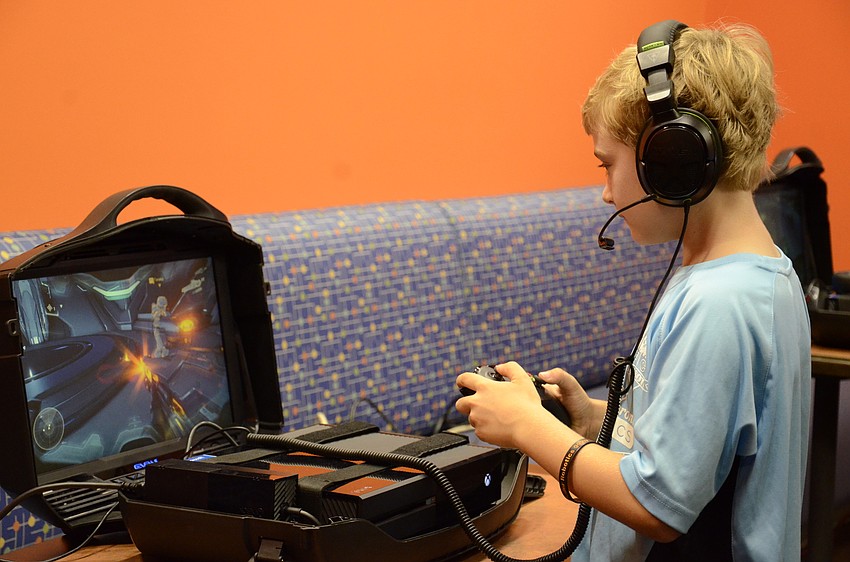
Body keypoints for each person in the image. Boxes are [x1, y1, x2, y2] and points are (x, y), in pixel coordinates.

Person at [456, 20, 811, 561]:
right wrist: (596, 418)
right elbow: (704, 446)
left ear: (673, 161)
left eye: (608, 165)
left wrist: (528, 429)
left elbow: (659, 508)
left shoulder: (719, 304)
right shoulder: (755, 276)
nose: (605, 194)